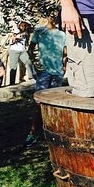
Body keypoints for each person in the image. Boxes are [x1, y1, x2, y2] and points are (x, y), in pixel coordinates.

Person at [25, 15, 67, 146]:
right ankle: (32, 134)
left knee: (55, 104)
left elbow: (65, 52)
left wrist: (64, 65)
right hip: (44, 72)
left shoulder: (62, 34)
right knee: (39, 103)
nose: (53, 18)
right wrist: (36, 65)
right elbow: (30, 50)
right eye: (51, 16)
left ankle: (53, 132)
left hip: (58, 72)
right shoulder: (40, 32)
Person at [8, 21, 35, 85]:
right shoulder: (16, 31)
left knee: (28, 61)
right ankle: (12, 82)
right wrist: (15, 37)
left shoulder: (26, 33)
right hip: (14, 50)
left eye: (25, 26)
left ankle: (31, 77)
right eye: (22, 26)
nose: (24, 27)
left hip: (22, 51)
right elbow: (13, 37)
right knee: (13, 66)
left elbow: (25, 36)